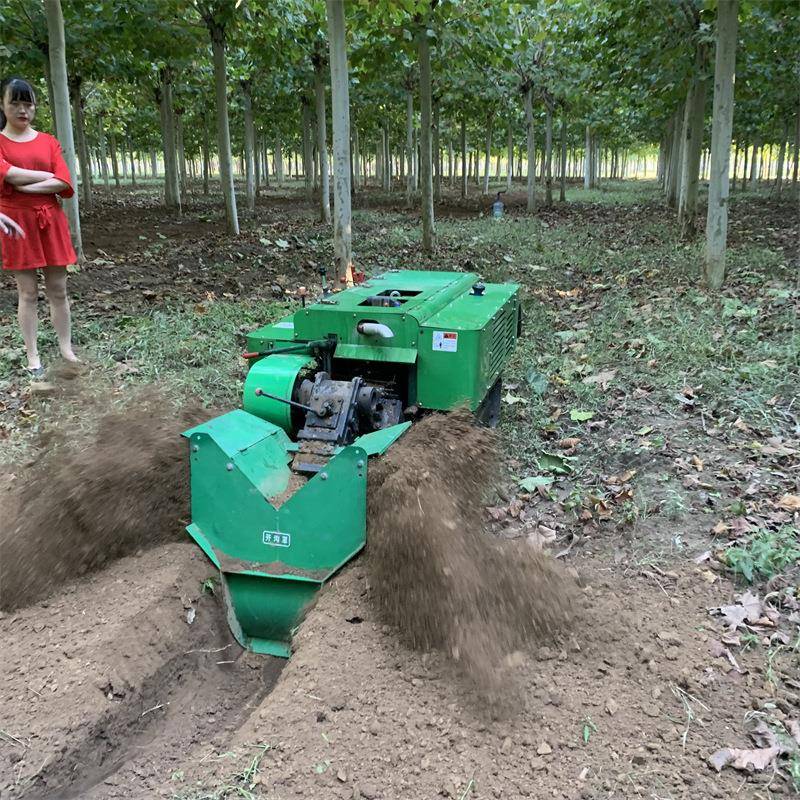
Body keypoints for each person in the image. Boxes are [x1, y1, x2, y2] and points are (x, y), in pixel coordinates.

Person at [0, 76, 78, 376]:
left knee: (58, 289)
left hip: (50, 219)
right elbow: (10, 175)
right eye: (15, 103)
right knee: (28, 292)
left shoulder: (48, 141)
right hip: (16, 223)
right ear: (3, 105)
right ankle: (32, 355)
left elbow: (64, 181)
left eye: (28, 103)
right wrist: (44, 178)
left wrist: (19, 182)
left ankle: (65, 347)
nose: (23, 110)